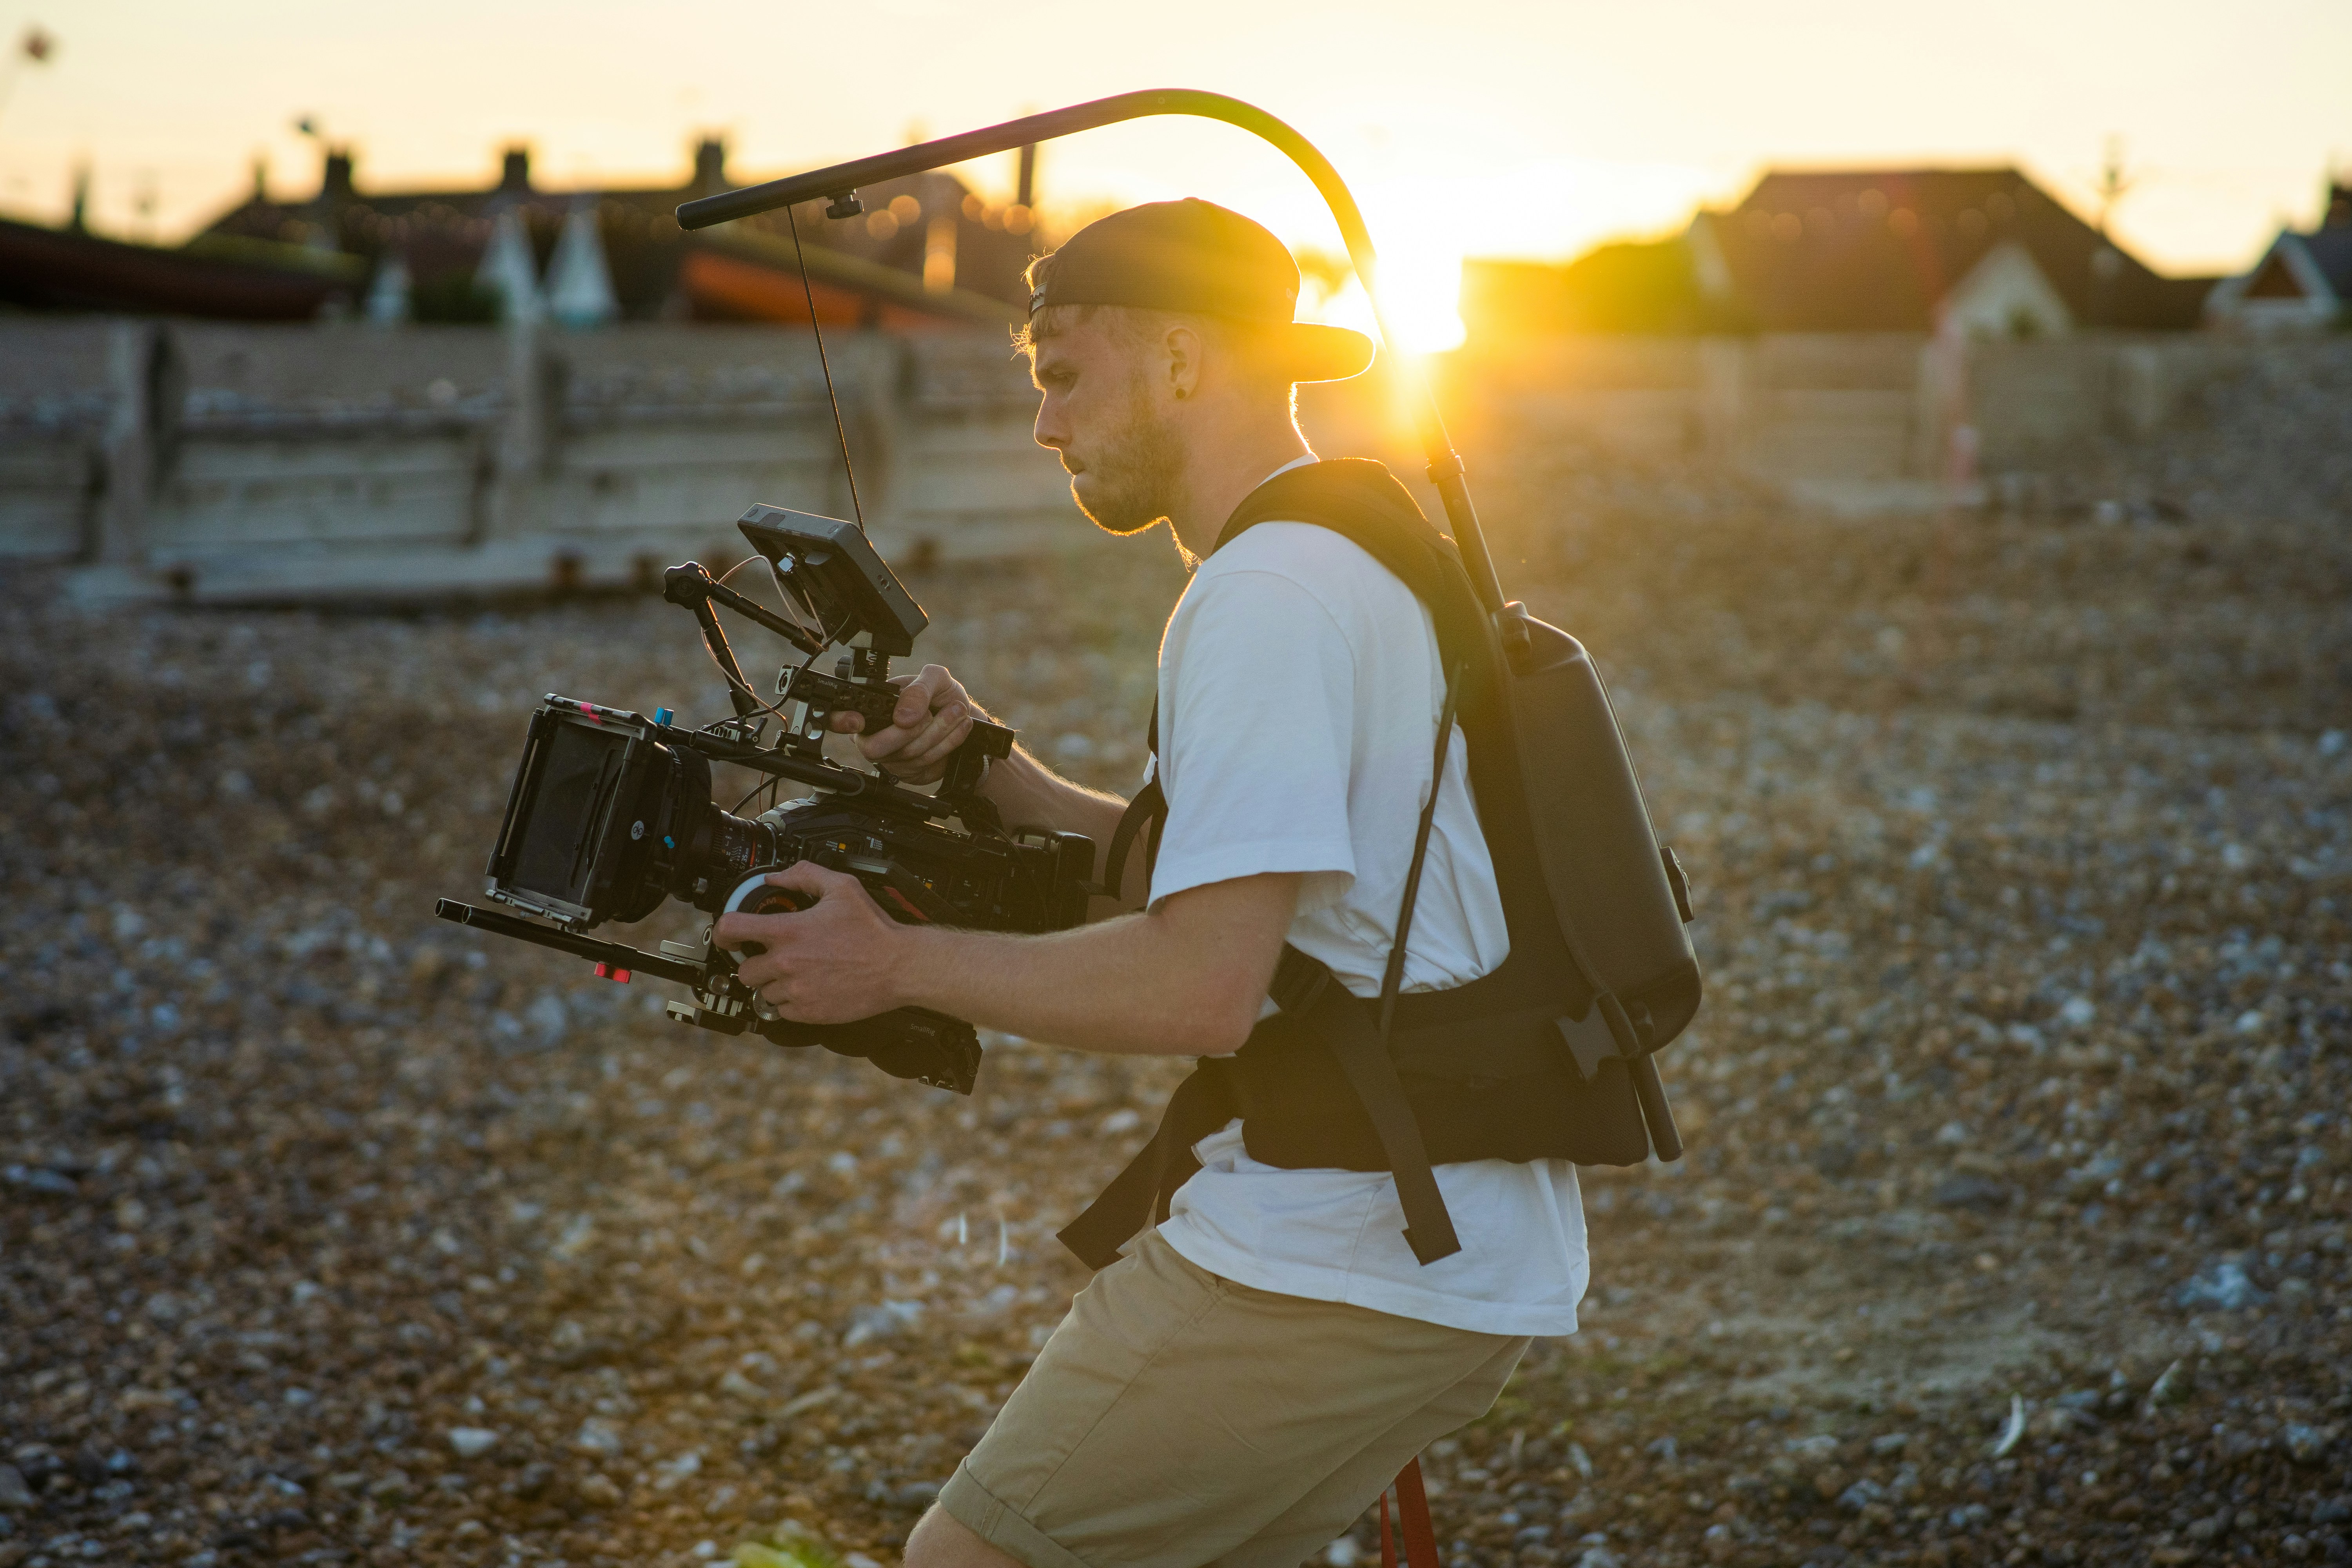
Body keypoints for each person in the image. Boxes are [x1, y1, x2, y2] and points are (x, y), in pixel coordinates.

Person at [713, 199, 1589, 1568]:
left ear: (1183, 359)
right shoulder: (1346, 546)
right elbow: (1247, 881)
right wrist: (987, 769)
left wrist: (890, 962)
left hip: (1342, 1251)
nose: (1046, 425)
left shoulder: (1266, 596)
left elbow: (1202, 982)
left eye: (1063, 372)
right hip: (1455, 1243)